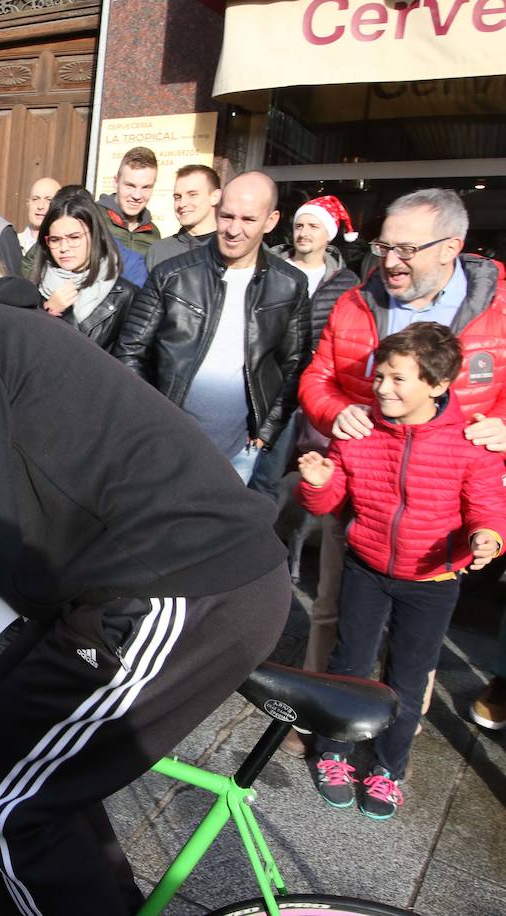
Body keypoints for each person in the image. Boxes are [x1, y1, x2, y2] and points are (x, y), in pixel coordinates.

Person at [0, 237, 290, 916]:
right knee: (4, 733)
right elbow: (3, 495)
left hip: (180, 585)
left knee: (8, 801)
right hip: (155, 573)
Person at [297, 188, 506, 728]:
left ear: (450, 247)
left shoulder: (499, 306)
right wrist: (334, 411)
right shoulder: (355, 301)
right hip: (362, 489)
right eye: (383, 246)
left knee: (417, 642)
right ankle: (326, 719)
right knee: (333, 611)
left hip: (445, 504)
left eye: (406, 250)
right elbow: (317, 378)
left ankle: (395, 736)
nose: (389, 261)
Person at [300, 324, 506, 819]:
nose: (382, 388)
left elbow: (488, 505)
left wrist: (488, 538)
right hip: (367, 566)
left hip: (432, 580)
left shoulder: (468, 442)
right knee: (350, 662)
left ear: (437, 386)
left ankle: (389, 768)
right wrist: (318, 485)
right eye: (380, 376)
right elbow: (332, 501)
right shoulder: (360, 431)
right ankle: (335, 753)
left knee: (409, 676)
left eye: (398, 379)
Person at [114, 172, 310, 483]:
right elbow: (130, 351)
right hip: (167, 444)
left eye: (248, 219)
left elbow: (295, 364)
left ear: (271, 221)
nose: (234, 229)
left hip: (240, 451)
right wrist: (153, 422)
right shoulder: (172, 275)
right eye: (227, 216)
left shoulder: (290, 284)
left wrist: (268, 428)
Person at [251, 195, 360, 515]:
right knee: (263, 472)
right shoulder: (268, 268)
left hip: (317, 391)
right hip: (272, 385)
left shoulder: (346, 282)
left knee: (304, 469)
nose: (304, 232)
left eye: (313, 226)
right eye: (299, 225)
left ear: (329, 234)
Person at [27, 186, 137, 351]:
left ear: (94, 235)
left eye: (74, 237)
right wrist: (47, 312)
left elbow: (128, 360)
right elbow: (23, 352)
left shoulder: (124, 296)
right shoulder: (32, 291)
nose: (64, 247)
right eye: (55, 240)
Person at [144, 164, 222, 271]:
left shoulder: (230, 248)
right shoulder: (159, 252)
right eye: (178, 197)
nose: (182, 204)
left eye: (192, 194)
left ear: (215, 197)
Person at [98, 146, 161, 255]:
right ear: (116, 182)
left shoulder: (154, 234)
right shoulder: (92, 218)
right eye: (130, 186)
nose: (137, 196)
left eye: (145, 187)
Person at [17, 175, 60, 257]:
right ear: (28, 203)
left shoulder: (64, 249)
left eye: (49, 200)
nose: (40, 206)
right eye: (35, 199)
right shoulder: (12, 243)